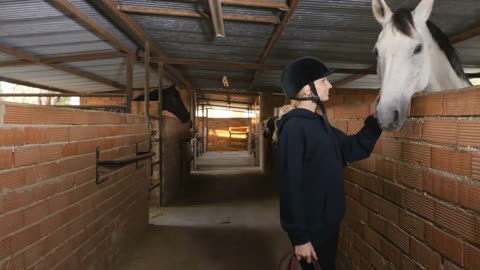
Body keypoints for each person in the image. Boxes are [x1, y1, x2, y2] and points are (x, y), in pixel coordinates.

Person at [276, 57, 382, 270]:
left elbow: (354, 148)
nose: (330, 85)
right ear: (307, 90)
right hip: (310, 230)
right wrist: (300, 238)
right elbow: (290, 185)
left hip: (328, 224)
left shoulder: (318, 125)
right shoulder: (294, 128)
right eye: (323, 80)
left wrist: (376, 119)